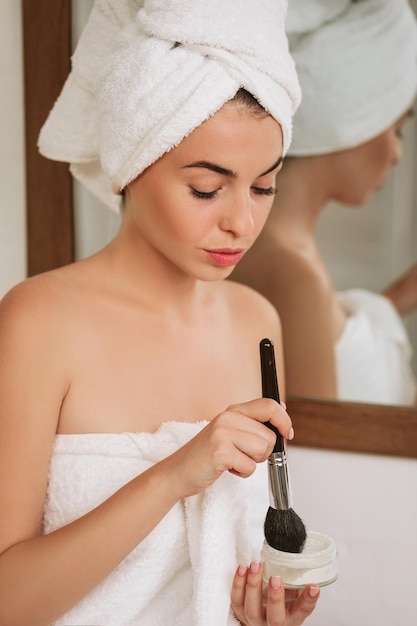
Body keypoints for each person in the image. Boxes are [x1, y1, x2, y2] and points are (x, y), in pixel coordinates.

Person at [0, 1, 321, 624]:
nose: (241, 221)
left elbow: (222, 566)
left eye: (263, 186)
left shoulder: (257, 322)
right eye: (206, 188)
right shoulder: (41, 322)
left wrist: (257, 614)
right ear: (131, 164)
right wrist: (174, 474)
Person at [232, 0, 417, 406]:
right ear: (353, 118)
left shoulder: (285, 257)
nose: (396, 155)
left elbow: (328, 338)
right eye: (398, 129)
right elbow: (319, 455)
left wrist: (402, 294)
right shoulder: (291, 273)